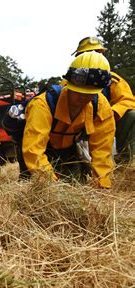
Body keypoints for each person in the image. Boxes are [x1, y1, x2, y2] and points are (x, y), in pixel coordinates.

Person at [21, 51, 115, 188]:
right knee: (32, 186)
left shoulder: (101, 105)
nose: (83, 97)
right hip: (38, 150)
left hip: (67, 149)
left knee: (76, 183)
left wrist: (103, 185)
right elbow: (33, 150)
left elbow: (103, 150)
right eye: (78, 92)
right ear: (68, 85)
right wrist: (51, 188)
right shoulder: (42, 104)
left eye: (89, 94)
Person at [70, 36, 134, 164]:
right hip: (79, 125)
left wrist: (109, 114)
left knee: (132, 116)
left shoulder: (114, 80)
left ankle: (125, 162)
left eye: (96, 53)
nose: (92, 57)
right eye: (87, 54)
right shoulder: (70, 80)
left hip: (106, 121)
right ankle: (74, 164)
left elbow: (127, 100)